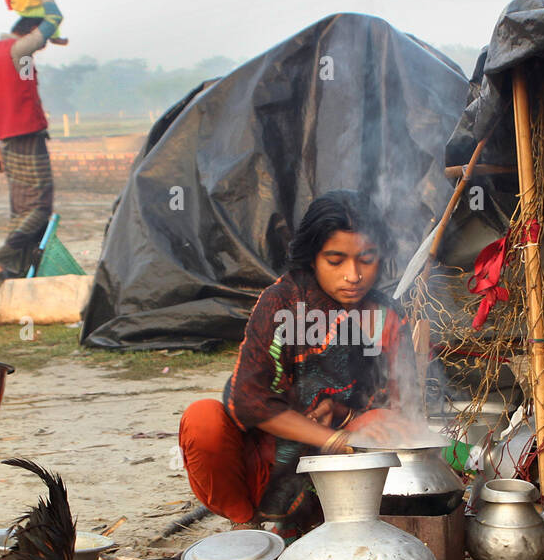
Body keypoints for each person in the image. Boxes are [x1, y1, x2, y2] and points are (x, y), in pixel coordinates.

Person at [179, 191, 420, 538]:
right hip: (265, 461)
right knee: (203, 420)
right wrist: (332, 437)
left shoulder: (385, 316)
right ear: (312, 259)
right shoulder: (280, 303)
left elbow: (405, 406)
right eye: (336, 261)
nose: (353, 275)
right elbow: (249, 400)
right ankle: (245, 525)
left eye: (365, 259)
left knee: (388, 424)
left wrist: (342, 414)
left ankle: (344, 519)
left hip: (346, 466)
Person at [0, 0, 64, 281]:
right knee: (40, 207)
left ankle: (21, 273)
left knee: (22, 209)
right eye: (37, 41)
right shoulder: (18, 50)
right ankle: (2, 258)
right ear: (29, 32)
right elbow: (54, 18)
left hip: (6, 141)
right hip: (27, 136)